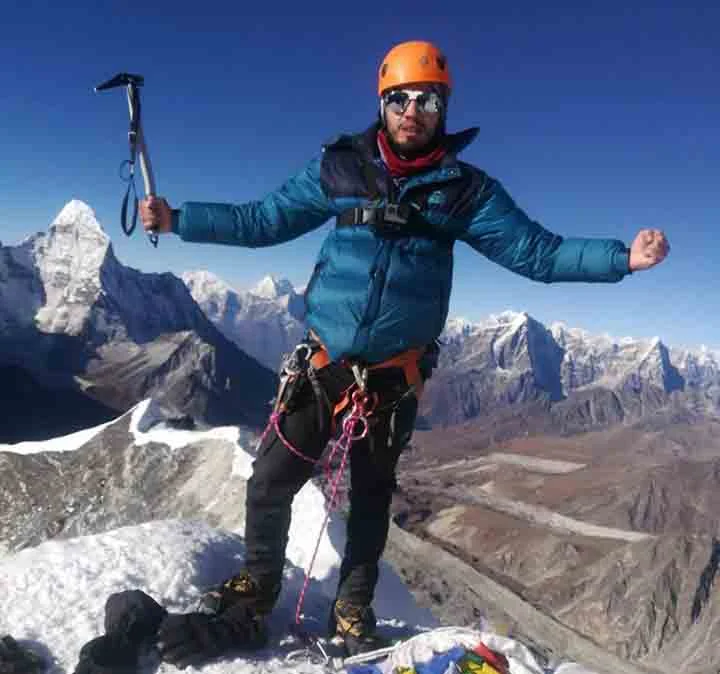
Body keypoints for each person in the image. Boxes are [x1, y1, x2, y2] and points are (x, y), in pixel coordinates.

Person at [140, 40, 669, 667]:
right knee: (271, 479)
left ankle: (352, 606)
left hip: (391, 380)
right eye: (399, 98)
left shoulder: (466, 193)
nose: (411, 109)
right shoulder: (340, 167)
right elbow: (263, 220)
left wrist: (623, 261)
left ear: (443, 107)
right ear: (382, 103)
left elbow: (539, 254)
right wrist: (178, 218)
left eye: (425, 98)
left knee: (370, 497)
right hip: (323, 364)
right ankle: (257, 585)